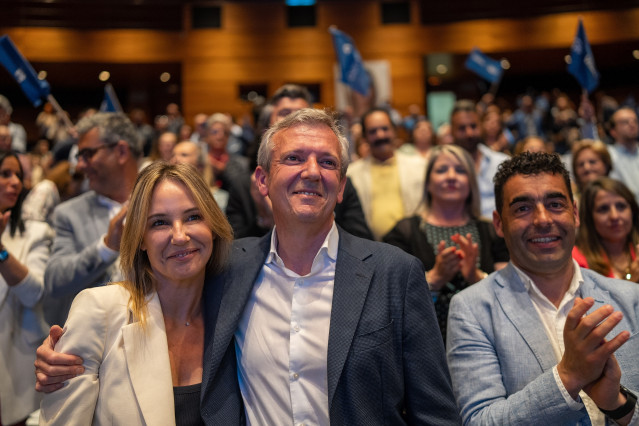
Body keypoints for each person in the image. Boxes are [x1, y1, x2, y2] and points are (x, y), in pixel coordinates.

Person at [36, 109, 459, 425]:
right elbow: (153, 295)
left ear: (343, 185)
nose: (312, 172)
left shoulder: (395, 273)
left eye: (328, 162)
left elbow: (435, 413)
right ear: (261, 181)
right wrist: (68, 358)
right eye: (294, 158)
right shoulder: (229, 269)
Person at [447, 152, 639, 425]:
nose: (542, 219)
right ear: (499, 223)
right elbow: (479, 421)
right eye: (523, 208)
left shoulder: (630, 297)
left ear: (574, 213)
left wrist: (618, 405)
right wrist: (568, 377)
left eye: (555, 204)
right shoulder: (473, 308)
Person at [39, 162, 235, 424]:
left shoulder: (236, 310)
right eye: (160, 223)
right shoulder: (100, 310)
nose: (180, 236)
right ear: (141, 239)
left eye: (193, 217)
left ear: (212, 224)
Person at [383, 144, 508, 339]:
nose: (451, 176)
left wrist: (476, 277)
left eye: (460, 170)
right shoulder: (403, 233)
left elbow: (509, 296)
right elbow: (388, 296)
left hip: (486, 340)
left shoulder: (493, 231)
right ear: (428, 183)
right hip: (422, 344)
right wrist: (433, 279)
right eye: (441, 170)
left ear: (471, 183)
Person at [43, 112, 142, 326]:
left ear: (122, 151)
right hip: (98, 343)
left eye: (88, 154)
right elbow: (55, 281)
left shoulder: (163, 202)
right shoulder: (69, 213)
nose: (80, 165)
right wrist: (106, 248)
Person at [0, 151, 54, 426]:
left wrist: (0, 251)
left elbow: (34, 293)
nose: (15, 183)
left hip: (14, 366)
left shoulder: (35, 232)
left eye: (18, 176)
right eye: (5, 174)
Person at [347, 107, 427, 240]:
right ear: (365, 137)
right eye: (373, 131)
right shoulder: (352, 174)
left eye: (385, 129)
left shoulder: (420, 167)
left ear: (395, 131)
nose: (380, 135)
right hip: (370, 249)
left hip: (413, 246)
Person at [450, 99, 509, 219]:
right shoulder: (446, 171)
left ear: (481, 126)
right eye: (462, 128)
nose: (469, 133)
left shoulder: (502, 163)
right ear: (452, 131)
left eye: (473, 126)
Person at [573, 177, 639, 282]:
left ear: (633, 211)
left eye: (621, 206)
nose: (614, 216)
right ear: (589, 218)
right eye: (603, 209)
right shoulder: (576, 261)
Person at [608, 107, 639, 201]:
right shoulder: (609, 154)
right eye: (625, 122)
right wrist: (588, 122)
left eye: (635, 121)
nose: (632, 124)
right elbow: (590, 143)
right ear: (613, 131)